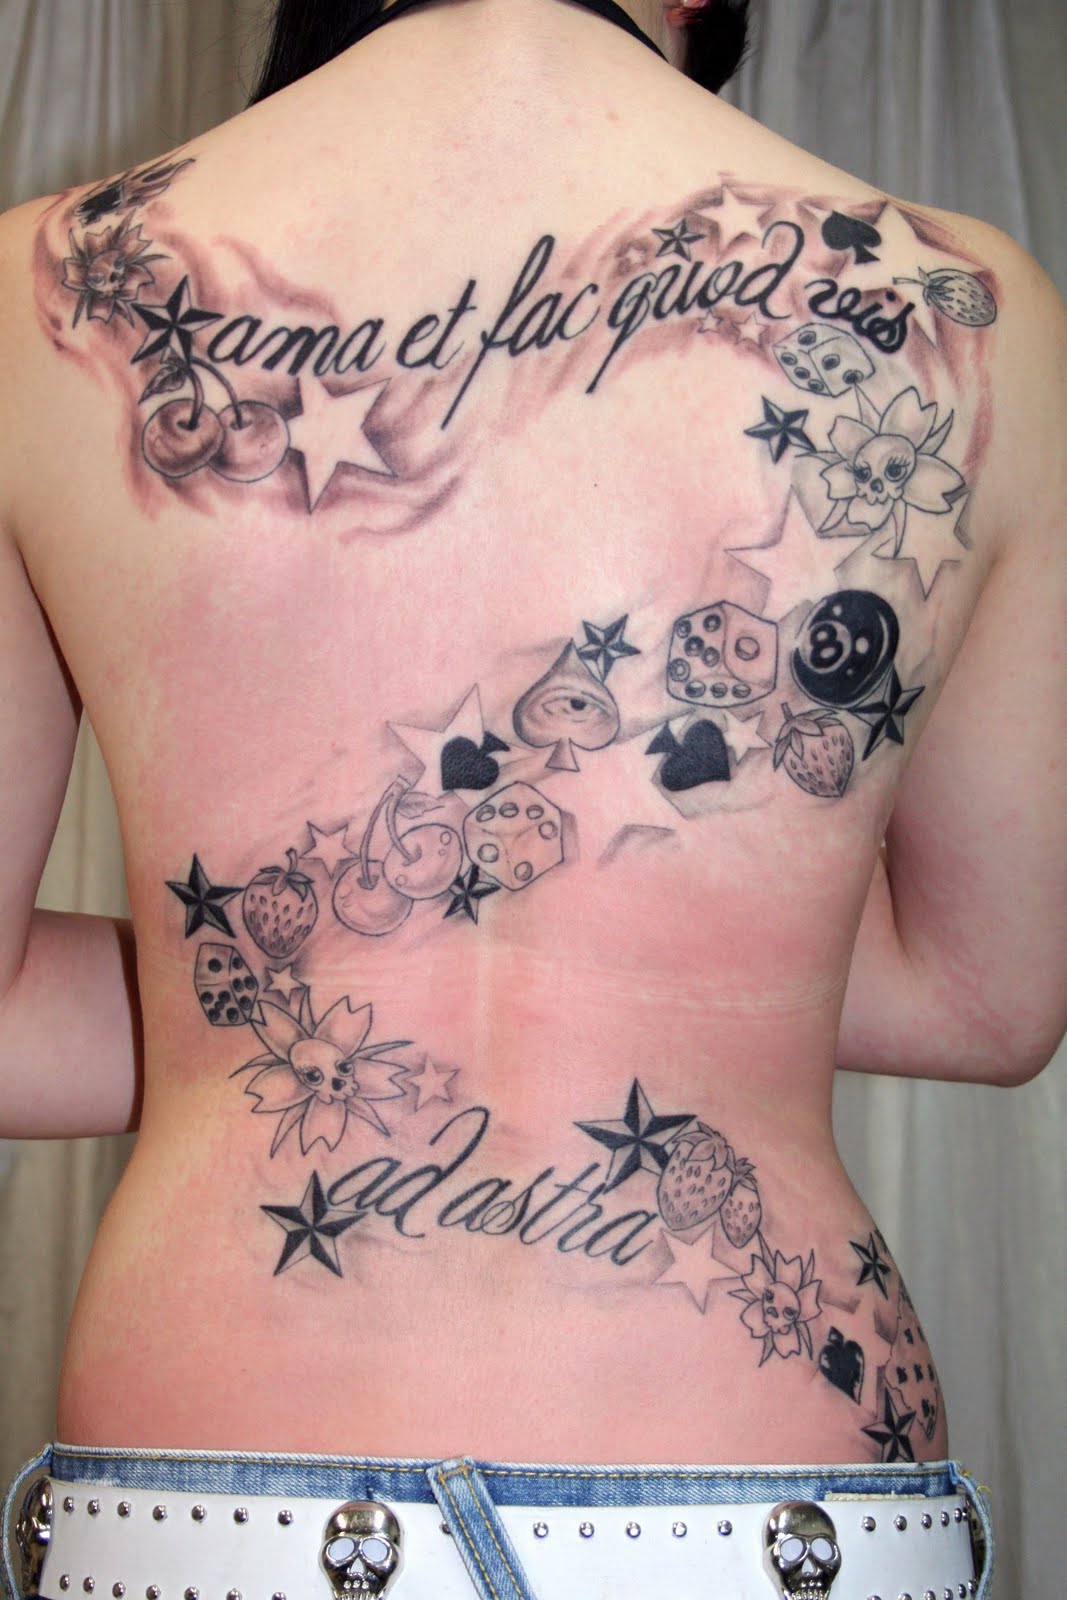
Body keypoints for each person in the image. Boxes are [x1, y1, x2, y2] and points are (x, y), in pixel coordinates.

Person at [1, 1, 1064, 1596]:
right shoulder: (967, 313)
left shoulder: (38, 295)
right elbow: (990, 1001)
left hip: (209, 1496)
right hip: (765, 1493)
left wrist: (292, 986)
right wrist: (668, 951)